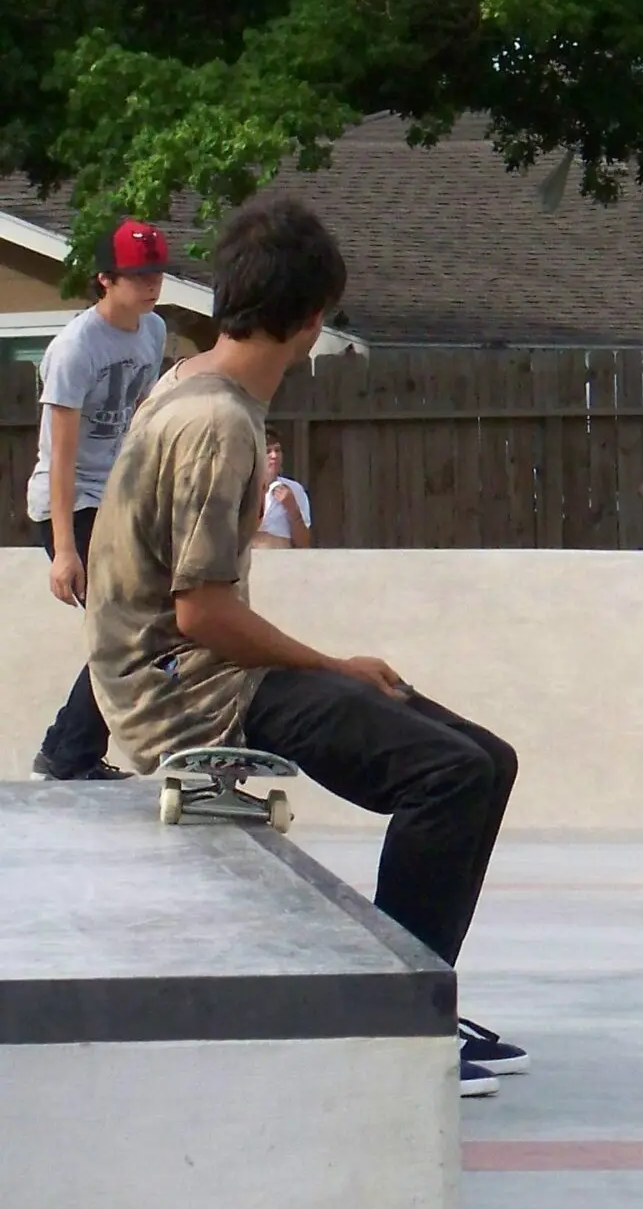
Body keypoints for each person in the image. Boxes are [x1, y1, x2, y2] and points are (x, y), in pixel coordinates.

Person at [84, 193, 527, 1099]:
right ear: (316, 322)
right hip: (192, 688)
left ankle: (414, 985)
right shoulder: (220, 425)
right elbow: (201, 611)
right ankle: (394, 1014)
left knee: (487, 757)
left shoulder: (187, 382)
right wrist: (329, 663)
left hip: (170, 669)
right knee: (451, 776)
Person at [25, 220, 170, 780]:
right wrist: (65, 551)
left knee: (145, 626)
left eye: (156, 274)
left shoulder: (153, 331)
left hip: (117, 500)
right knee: (128, 629)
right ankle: (68, 754)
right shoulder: (74, 349)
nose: (150, 286)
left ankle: (67, 751)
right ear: (105, 279)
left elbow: (138, 420)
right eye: (137, 276)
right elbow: (59, 459)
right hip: (70, 504)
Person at [253, 429, 313, 549]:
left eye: (277, 450)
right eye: (268, 451)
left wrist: (293, 509)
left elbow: (304, 544)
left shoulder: (295, 489)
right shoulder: (242, 489)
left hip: (283, 562)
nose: (274, 456)